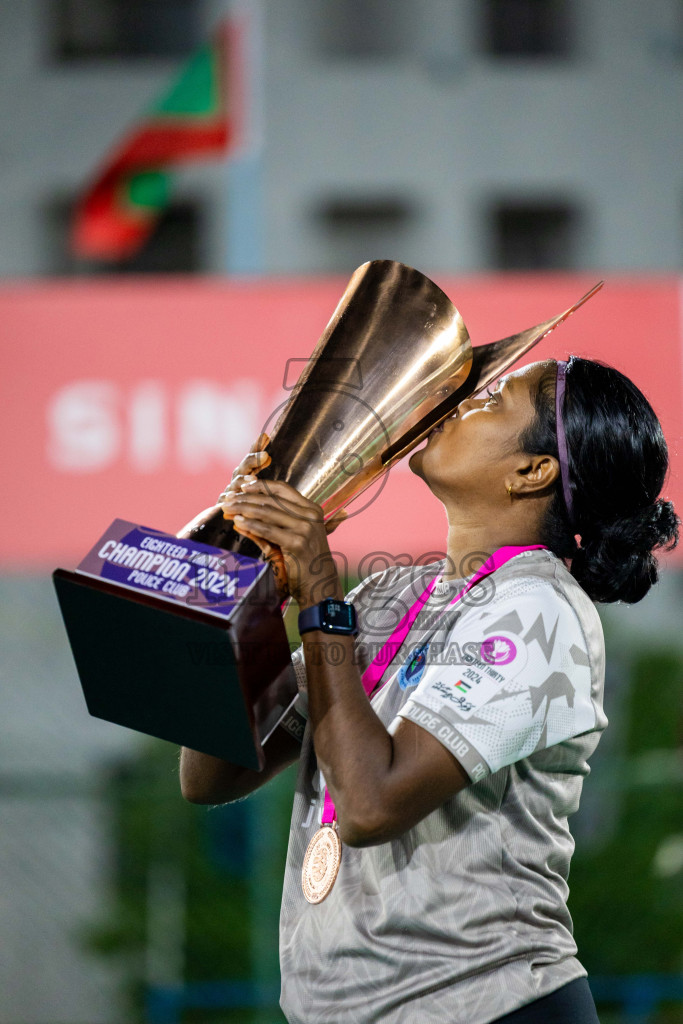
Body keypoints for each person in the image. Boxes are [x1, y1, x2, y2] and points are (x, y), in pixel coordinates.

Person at [179, 356, 678, 1024]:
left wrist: (321, 598)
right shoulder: (392, 595)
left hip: (490, 1008)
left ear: (531, 471)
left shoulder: (540, 614)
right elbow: (213, 771)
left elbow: (368, 804)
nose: (461, 399)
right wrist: (245, 578)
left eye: (494, 398)